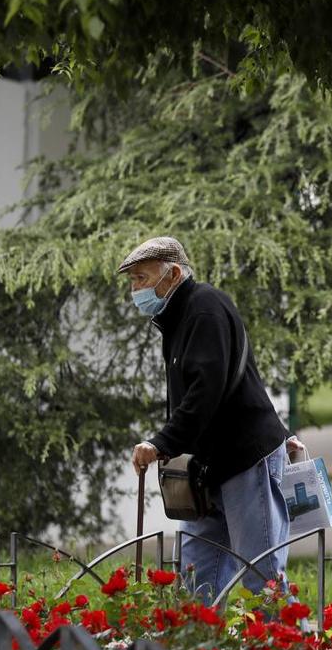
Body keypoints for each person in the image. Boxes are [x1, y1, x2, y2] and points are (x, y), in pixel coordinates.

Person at [121, 236, 292, 599]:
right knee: (197, 576)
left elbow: (205, 391)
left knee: (262, 576)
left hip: (245, 458)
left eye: (141, 278)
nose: (136, 289)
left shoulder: (204, 308)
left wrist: (161, 443)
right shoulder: (178, 317)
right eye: (133, 280)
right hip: (210, 467)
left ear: (173, 274)